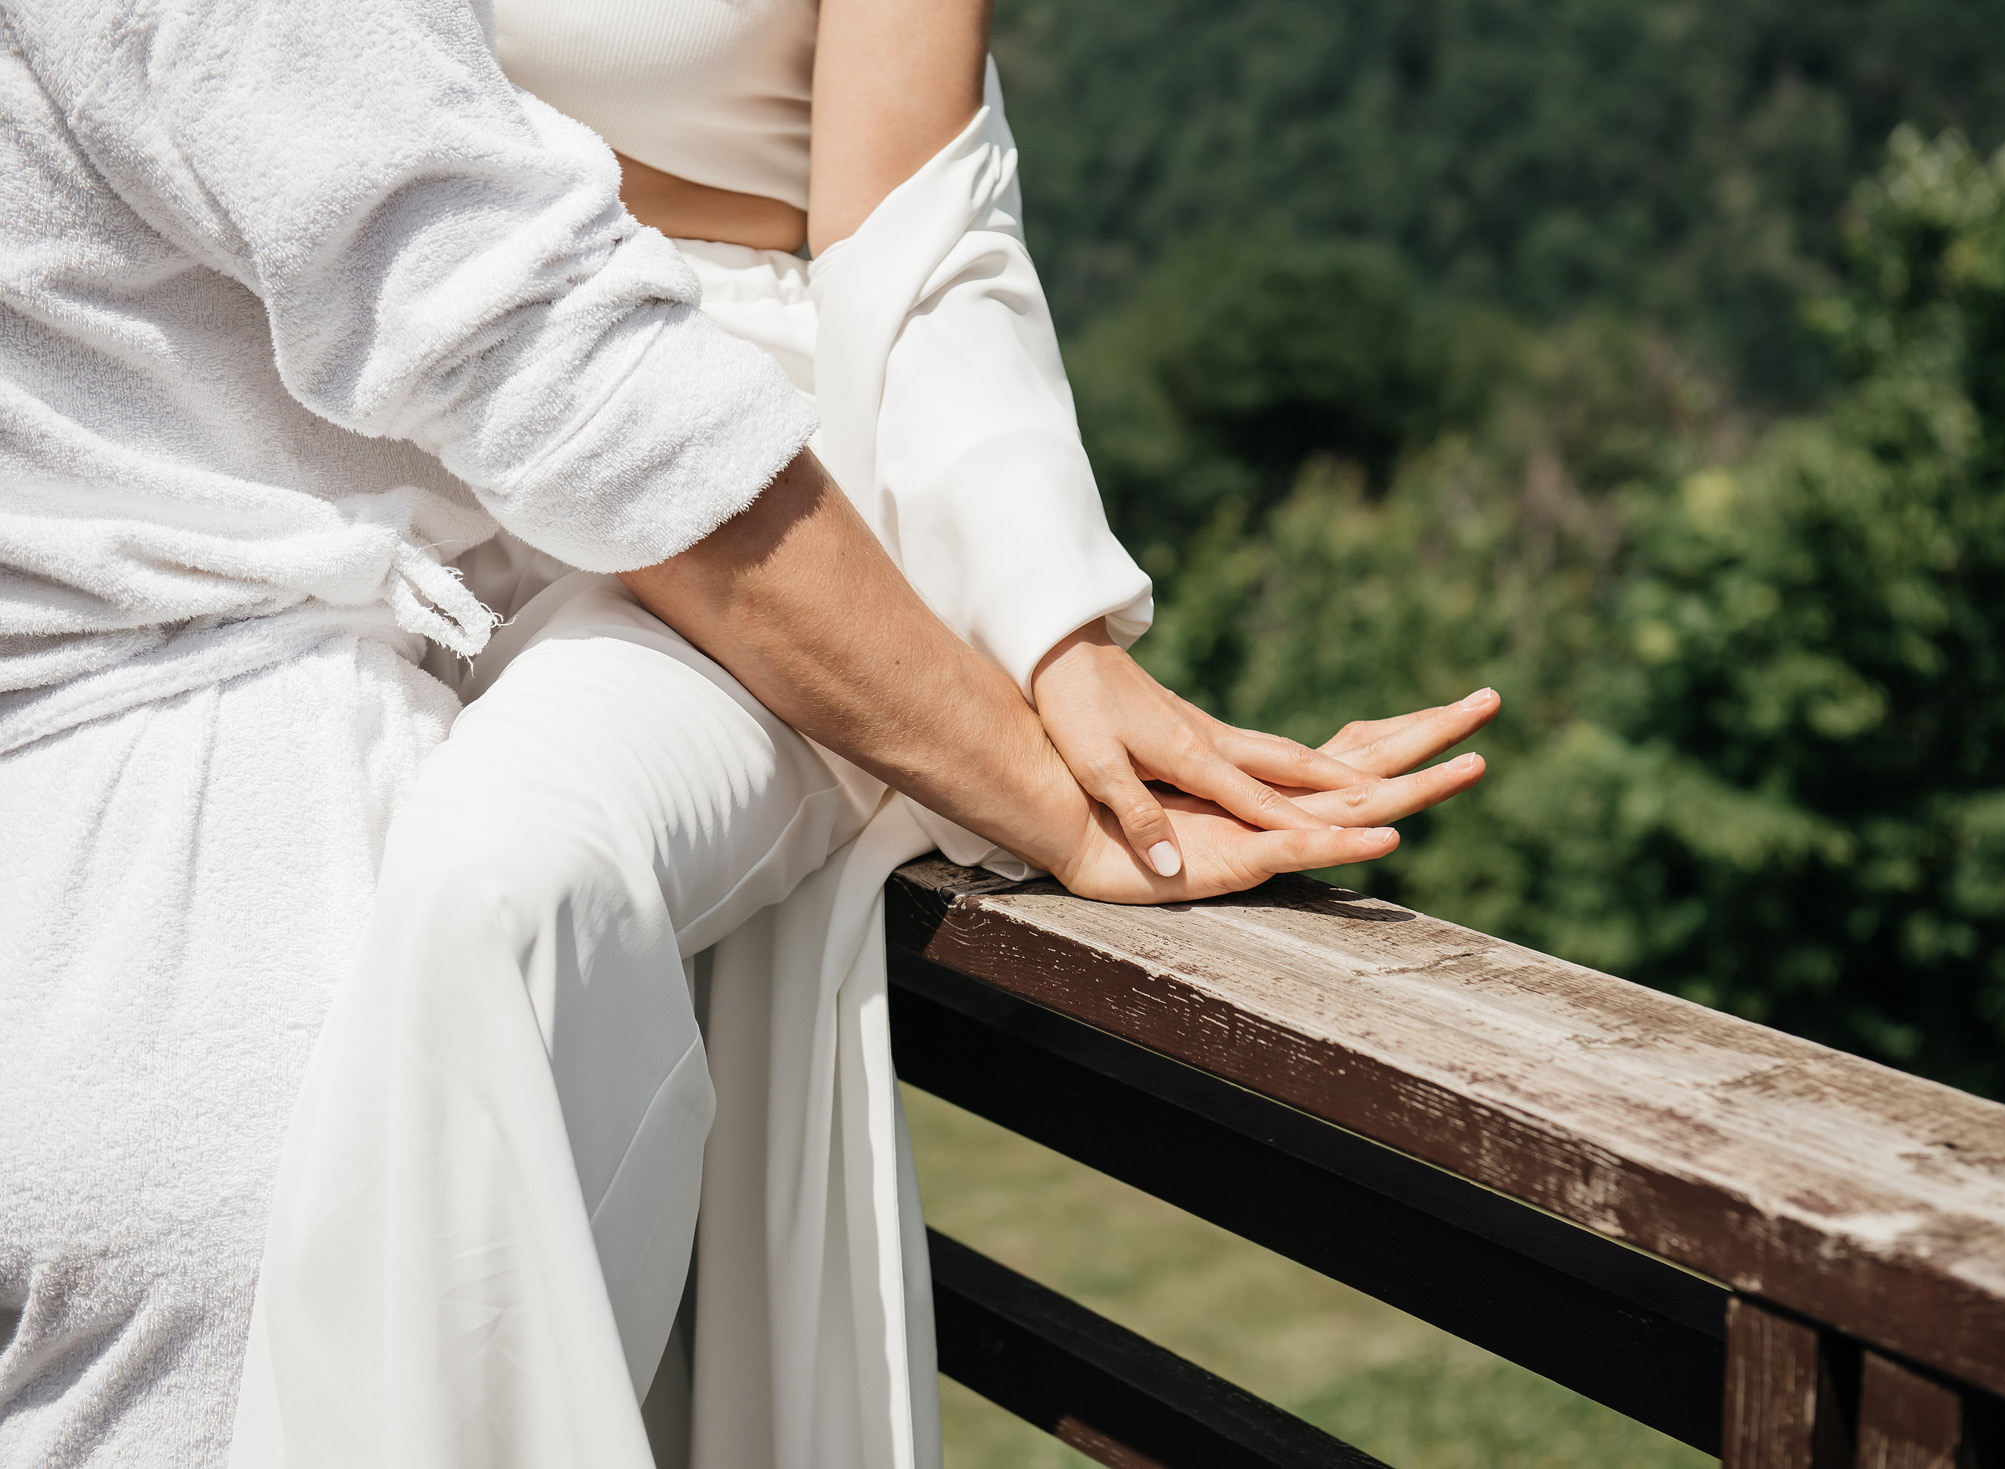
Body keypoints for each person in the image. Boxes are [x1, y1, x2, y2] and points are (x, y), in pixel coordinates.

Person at [0, 0, 1497, 1465]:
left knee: (503, 879)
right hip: (450, 491)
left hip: (774, 491)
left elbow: (926, 239)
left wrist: (1051, 642)